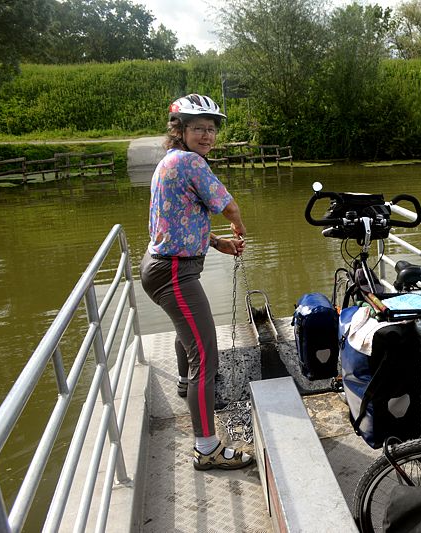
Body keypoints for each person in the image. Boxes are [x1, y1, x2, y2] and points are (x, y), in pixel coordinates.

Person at [140, 93, 253, 471]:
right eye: (198, 129)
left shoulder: (170, 162)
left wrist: (217, 242)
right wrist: (238, 228)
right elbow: (229, 205)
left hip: (161, 265)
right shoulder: (190, 162)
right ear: (180, 131)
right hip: (174, 271)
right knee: (205, 356)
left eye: (210, 129)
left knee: (187, 333)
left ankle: (187, 388)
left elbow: (181, 218)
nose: (206, 136)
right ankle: (207, 449)